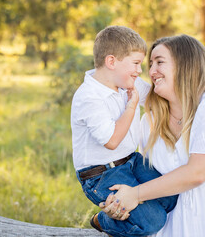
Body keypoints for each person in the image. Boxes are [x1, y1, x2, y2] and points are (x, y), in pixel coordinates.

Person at [101, 34, 205, 237]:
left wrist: (136, 195)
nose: (152, 71)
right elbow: (144, 175)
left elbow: (197, 173)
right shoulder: (150, 121)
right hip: (174, 227)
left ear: (185, 65)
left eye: (160, 62)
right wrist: (118, 201)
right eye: (150, 64)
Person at [70, 26, 178, 237]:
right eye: (136, 63)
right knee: (153, 221)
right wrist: (131, 106)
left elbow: (158, 97)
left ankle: (133, 209)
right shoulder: (89, 97)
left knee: (170, 196)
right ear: (111, 62)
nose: (140, 70)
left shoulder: (128, 81)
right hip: (101, 174)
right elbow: (111, 140)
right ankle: (103, 221)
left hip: (131, 160)